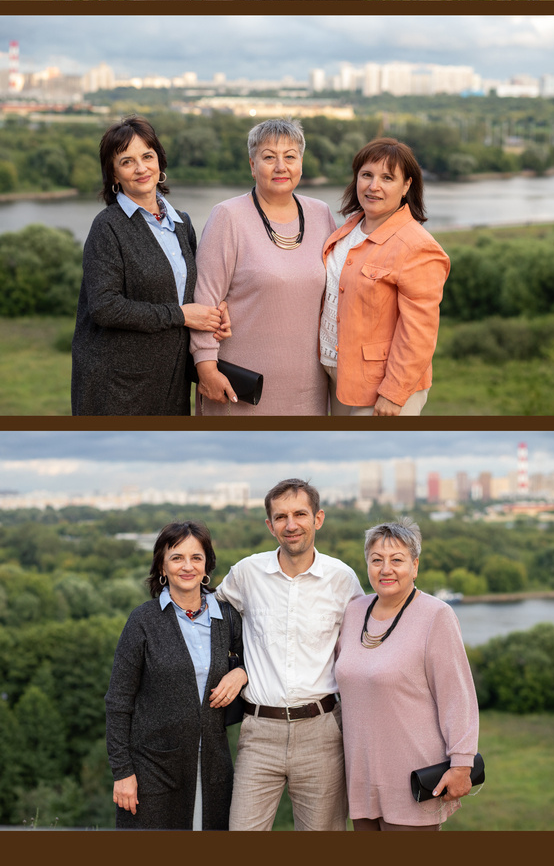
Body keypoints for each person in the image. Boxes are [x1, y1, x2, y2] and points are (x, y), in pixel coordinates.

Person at [220, 479, 364, 830]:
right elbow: (213, 624)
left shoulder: (342, 579)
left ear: (318, 519)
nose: (291, 524)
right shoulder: (247, 574)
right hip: (259, 733)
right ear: (270, 525)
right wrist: (238, 667)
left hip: (323, 733)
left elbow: (363, 649)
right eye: (281, 516)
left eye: (300, 514)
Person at [73, 116, 229, 415]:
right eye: (127, 161)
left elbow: (193, 289)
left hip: (171, 378)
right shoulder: (107, 227)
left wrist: (220, 309)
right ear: (114, 174)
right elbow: (105, 307)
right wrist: (180, 315)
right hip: (116, 383)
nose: (141, 168)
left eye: (147, 156)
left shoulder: (181, 223)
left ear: (160, 162)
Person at [336, 520, 480, 831]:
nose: (386, 569)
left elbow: (458, 695)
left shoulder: (436, 615)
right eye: (377, 560)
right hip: (362, 778)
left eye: (397, 560)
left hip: (413, 778)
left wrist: (462, 763)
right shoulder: (354, 612)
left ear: (414, 566)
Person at [105, 521, 249, 830]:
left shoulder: (226, 616)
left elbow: (258, 659)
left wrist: (241, 673)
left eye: (196, 558)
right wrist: (122, 773)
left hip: (212, 766)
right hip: (153, 769)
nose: (187, 566)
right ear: (162, 565)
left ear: (207, 565)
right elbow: (118, 702)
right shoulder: (143, 621)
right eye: (177, 557)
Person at [193, 119, 335, 414]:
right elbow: (205, 302)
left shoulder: (320, 214)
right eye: (269, 157)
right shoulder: (228, 217)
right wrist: (206, 369)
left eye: (290, 156)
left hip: (309, 387)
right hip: (240, 387)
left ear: (301, 163)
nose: (280, 166)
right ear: (252, 165)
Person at [319, 139, 451, 416]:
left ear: (406, 186)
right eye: (366, 175)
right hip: (337, 374)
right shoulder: (349, 228)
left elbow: (419, 333)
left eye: (387, 178)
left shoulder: (418, 247)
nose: (373, 186)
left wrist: (394, 393)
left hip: (381, 386)